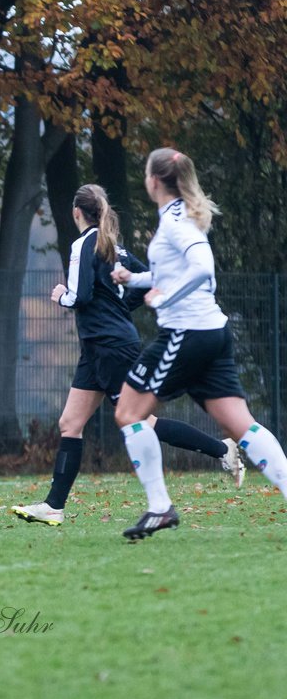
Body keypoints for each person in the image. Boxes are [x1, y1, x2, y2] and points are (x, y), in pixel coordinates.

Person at [11, 183, 244, 527]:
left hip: (110, 348)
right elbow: (143, 284)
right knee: (70, 423)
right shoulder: (113, 247)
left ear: (76, 212)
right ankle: (53, 506)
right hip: (96, 349)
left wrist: (61, 295)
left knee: (141, 421)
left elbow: (81, 295)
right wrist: (121, 308)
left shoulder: (83, 244)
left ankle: (222, 451)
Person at [110, 148, 287, 539]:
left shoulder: (175, 223)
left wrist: (165, 298)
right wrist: (134, 280)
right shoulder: (177, 216)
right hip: (212, 332)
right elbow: (167, 272)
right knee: (243, 425)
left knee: (127, 413)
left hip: (185, 333)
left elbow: (203, 268)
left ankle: (160, 507)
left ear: (154, 180)